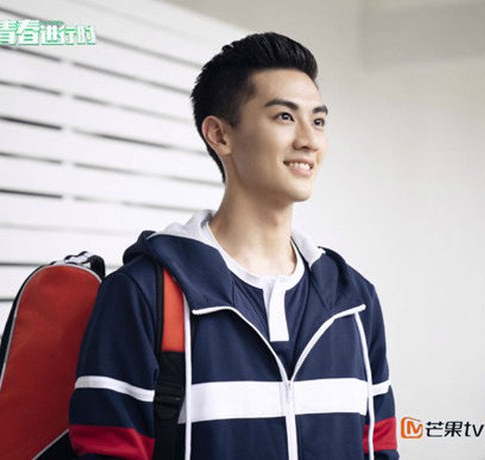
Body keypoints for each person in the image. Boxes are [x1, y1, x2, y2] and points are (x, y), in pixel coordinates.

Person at [68, 32, 398, 460]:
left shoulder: (353, 301)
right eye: (284, 117)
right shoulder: (143, 293)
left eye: (318, 121)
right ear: (220, 135)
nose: (309, 140)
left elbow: (379, 447)